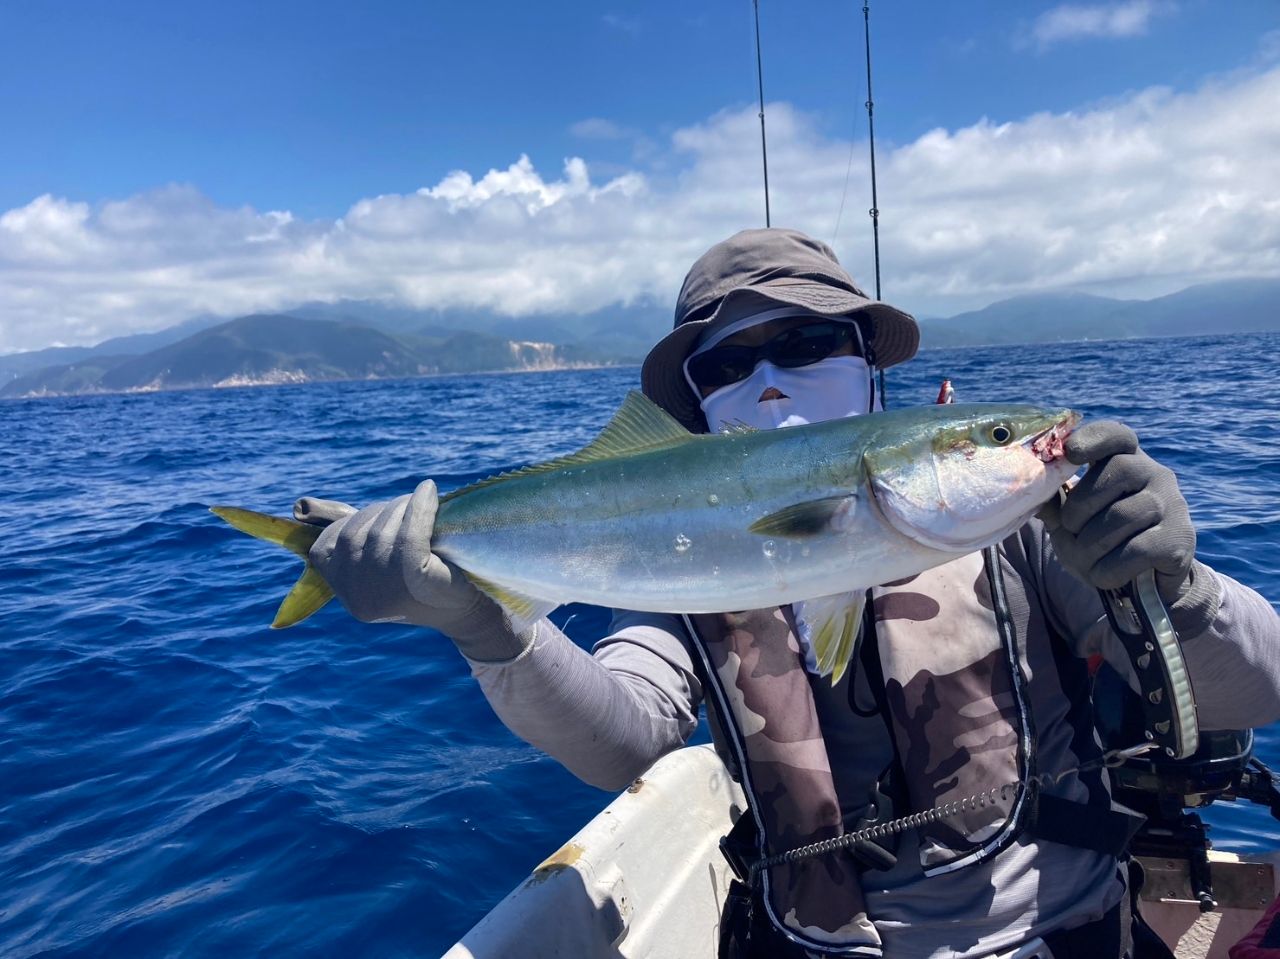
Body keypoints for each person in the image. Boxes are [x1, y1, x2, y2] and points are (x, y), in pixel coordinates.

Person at [295, 229, 1280, 959]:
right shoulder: (688, 562)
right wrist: (482, 624)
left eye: (806, 342)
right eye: (728, 363)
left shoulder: (1029, 526)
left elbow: (1259, 689)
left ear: (868, 364)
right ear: (697, 399)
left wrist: (1175, 587)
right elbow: (621, 742)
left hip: (1055, 936)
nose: (768, 380)